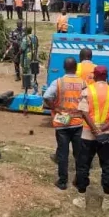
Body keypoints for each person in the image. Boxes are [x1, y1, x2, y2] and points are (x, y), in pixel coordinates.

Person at [73, 65, 109, 211]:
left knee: (83, 165)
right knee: (107, 167)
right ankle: (107, 201)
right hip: (107, 135)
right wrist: (103, 129)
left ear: (94, 76)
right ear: (106, 76)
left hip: (87, 134)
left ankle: (81, 198)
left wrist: (95, 129)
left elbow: (83, 112)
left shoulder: (86, 91)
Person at [43, 57, 85, 190]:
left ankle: (62, 182)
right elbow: (88, 99)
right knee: (79, 154)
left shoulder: (59, 82)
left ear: (64, 67)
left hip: (62, 122)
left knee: (63, 153)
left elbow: (46, 96)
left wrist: (55, 108)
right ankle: (79, 180)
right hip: (78, 122)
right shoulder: (83, 83)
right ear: (76, 68)